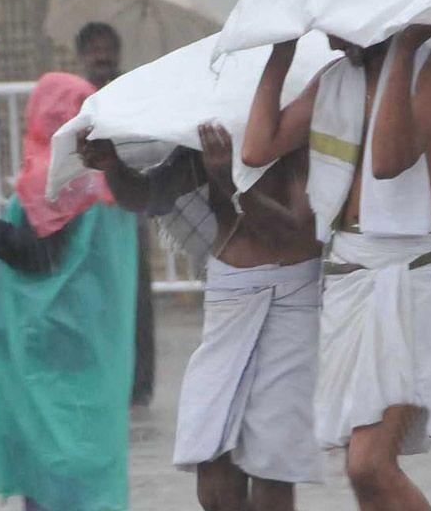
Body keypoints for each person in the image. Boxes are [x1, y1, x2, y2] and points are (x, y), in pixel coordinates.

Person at [242, 0, 431, 511]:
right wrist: (279, 52)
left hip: (408, 270)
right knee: (361, 473)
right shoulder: (334, 79)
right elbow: (257, 149)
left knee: (370, 463)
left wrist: (405, 50)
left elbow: (389, 161)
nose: (328, 37)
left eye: (339, 24)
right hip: (348, 271)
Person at [79, 123, 323, 511]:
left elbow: (297, 231)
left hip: (290, 297)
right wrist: (112, 166)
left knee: (271, 473)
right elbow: (147, 196)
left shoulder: (296, 133)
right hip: (227, 296)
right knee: (212, 477)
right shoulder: (216, 130)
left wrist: (227, 178)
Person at [0, 72, 138, 511]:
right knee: (83, 459)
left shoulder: (55, 179)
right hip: (90, 346)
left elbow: (39, 257)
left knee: (50, 466)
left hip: (47, 350)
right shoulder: (109, 183)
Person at [76, 22, 156, 409]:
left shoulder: (133, 93)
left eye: (108, 52)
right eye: (95, 52)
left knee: (136, 296)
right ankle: (102, 375)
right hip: (88, 211)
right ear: (83, 57)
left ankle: (139, 384)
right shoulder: (75, 98)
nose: (102, 59)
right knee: (96, 297)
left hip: (127, 206)